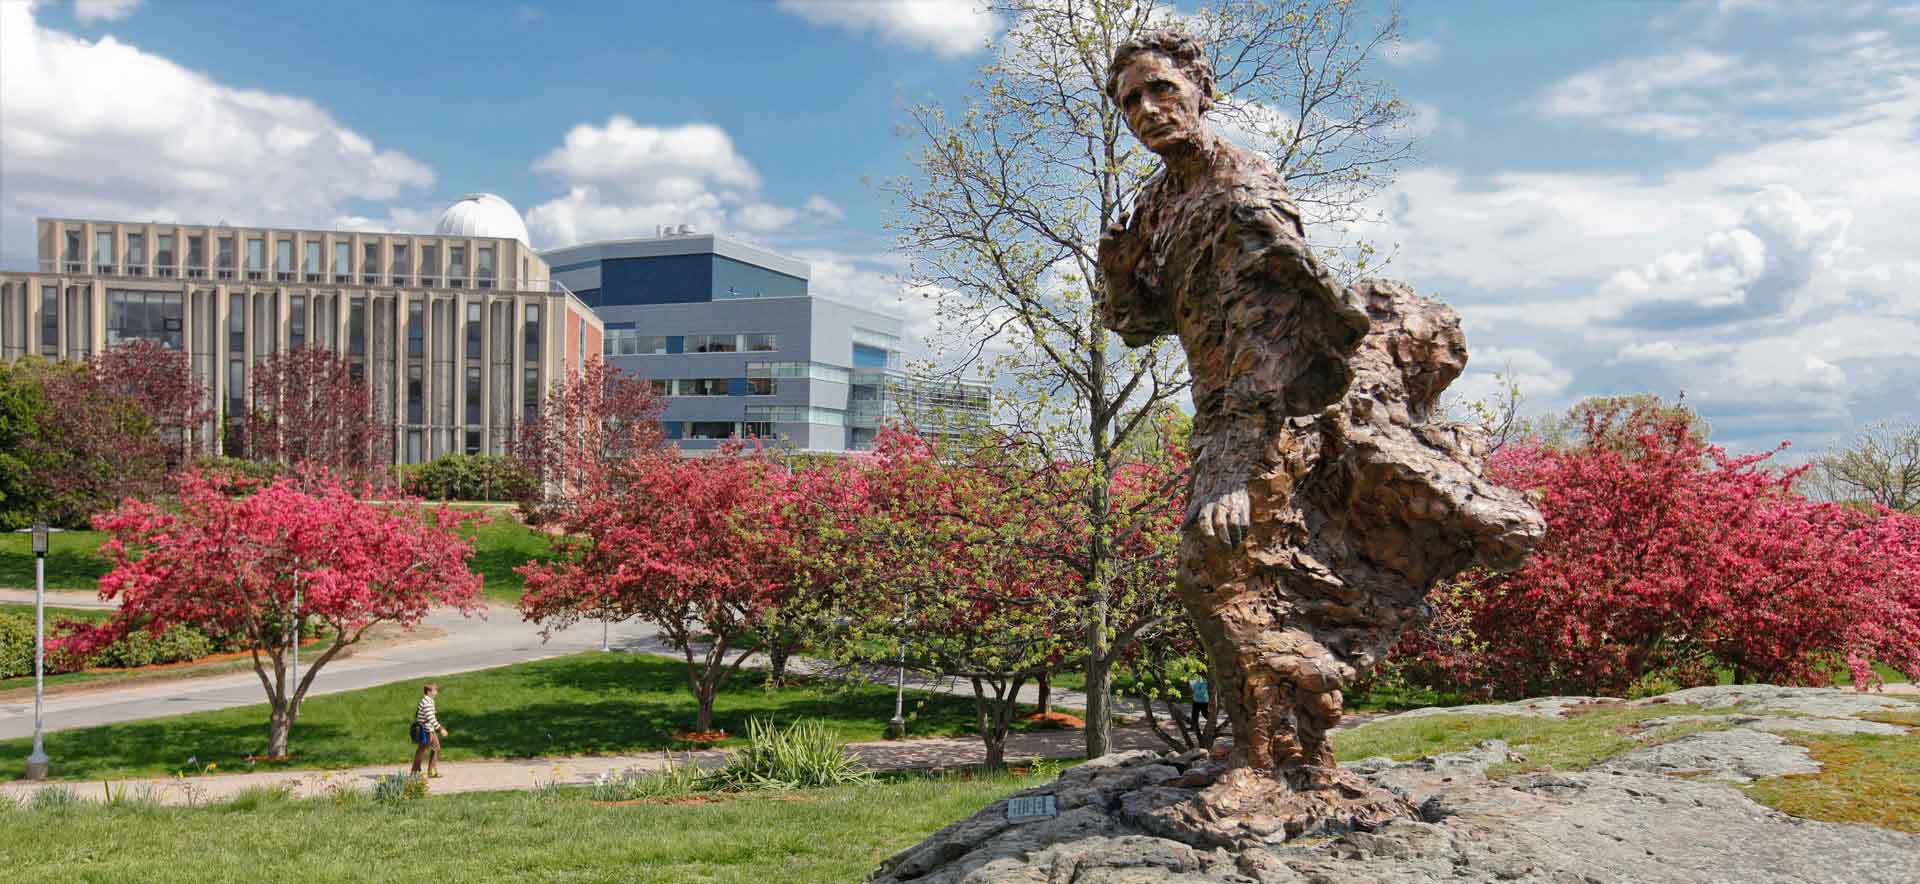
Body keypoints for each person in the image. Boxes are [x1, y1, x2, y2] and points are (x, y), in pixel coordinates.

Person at [411, 682, 448, 778]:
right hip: (426, 731)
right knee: (422, 750)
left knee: (434, 748)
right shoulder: (427, 702)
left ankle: (424, 771)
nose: (436, 692)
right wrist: (441, 729)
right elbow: (431, 718)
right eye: (434, 690)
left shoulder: (427, 701)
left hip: (428, 730)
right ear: (428, 691)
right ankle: (416, 772)